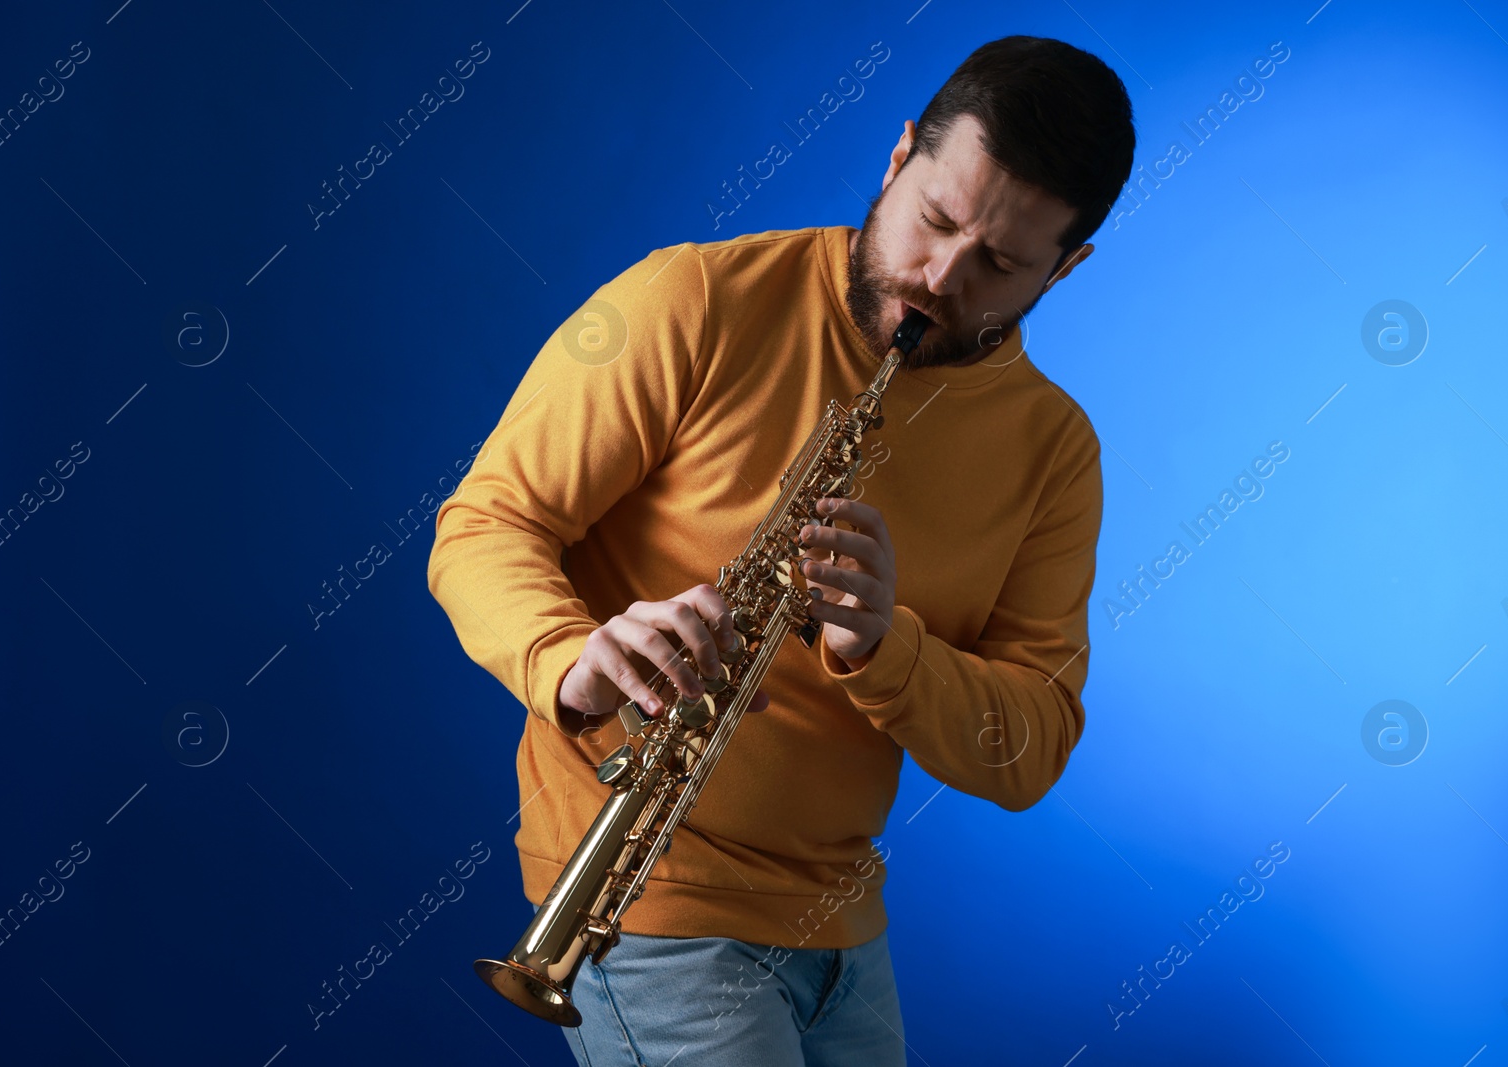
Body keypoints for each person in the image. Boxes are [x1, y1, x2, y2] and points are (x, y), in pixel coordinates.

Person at [428, 34, 1135, 1067]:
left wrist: (884, 646)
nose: (939, 277)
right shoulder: (693, 299)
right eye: (934, 219)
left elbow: (1027, 749)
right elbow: (485, 523)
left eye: (998, 264)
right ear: (898, 162)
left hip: (841, 929)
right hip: (644, 892)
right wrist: (567, 655)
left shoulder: (1055, 450)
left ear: (1064, 269)